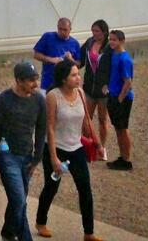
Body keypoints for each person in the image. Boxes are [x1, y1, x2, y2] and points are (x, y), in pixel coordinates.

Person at [0, 60, 47, 241]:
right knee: (18, 199)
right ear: (19, 81)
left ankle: (8, 231)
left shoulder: (39, 100)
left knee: (19, 198)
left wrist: (37, 158)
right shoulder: (3, 100)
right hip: (6, 155)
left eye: (36, 79)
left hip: (27, 156)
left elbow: (41, 130)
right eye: (31, 80)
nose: (36, 84)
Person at [35, 59, 102, 241]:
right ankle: (41, 222)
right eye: (73, 75)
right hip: (57, 148)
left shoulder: (80, 93)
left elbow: (86, 120)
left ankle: (89, 232)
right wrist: (54, 158)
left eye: (78, 74)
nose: (78, 78)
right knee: (51, 187)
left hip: (76, 148)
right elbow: (49, 127)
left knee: (85, 189)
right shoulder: (53, 96)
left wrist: (97, 142)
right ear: (64, 78)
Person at [80, 19, 112, 160]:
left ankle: (102, 147)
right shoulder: (89, 43)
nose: (94, 33)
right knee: (86, 118)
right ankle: (88, 145)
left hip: (103, 90)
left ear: (104, 32)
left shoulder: (110, 47)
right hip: (89, 87)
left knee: (102, 119)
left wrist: (110, 84)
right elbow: (81, 60)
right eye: (93, 31)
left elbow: (114, 67)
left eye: (97, 31)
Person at [104, 29, 134, 170]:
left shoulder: (124, 59)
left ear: (121, 41)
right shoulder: (114, 55)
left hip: (121, 98)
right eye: (110, 39)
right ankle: (122, 156)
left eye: (114, 39)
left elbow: (128, 82)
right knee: (118, 128)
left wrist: (120, 99)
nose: (111, 42)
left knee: (122, 128)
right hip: (113, 95)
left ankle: (127, 159)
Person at [33, 17, 81, 91]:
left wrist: (71, 59)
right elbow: (36, 55)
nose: (62, 32)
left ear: (70, 29)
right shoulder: (48, 37)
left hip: (66, 86)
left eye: (65, 30)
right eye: (60, 29)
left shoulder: (75, 43)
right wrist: (50, 59)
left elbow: (78, 65)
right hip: (48, 83)